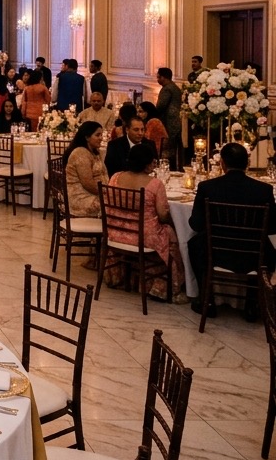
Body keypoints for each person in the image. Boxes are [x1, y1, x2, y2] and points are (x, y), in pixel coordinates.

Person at [187, 142, 276, 317]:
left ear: (222, 164)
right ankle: (252, 304)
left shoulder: (207, 187)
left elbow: (195, 225)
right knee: (269, 249)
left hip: (216, 251)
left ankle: (207, 299)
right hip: (254, 253)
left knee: (193, 244)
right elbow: (272, 227)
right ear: (247, 164)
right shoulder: (264, 190)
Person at [107, 142, 186, 300]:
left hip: (115, 232)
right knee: (171, 234)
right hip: (142, 236)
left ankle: (126, 276)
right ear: (147, 163)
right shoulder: (154, 184)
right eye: (153, 162)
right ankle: (162, 286)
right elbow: (163, 215)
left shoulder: (115, 177)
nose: (154, 165)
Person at [63, 121, 107, 217]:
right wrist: (107, 193)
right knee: (114, 206)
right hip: (81, 196)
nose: (101, 138)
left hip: (96, 193)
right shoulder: (80, 153)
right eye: (97, 135)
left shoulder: (95, 151)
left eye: (101, 135)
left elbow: (104, 172)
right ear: (87, 137)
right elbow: (88, 184)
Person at [154, 67, 182, 166]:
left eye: (158, 77)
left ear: (164, 77)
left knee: (167, 149)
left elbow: (161, 106)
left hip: (168, 122)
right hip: (176, 122)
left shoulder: (167, 89)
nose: (157, 80)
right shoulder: (175, 87)